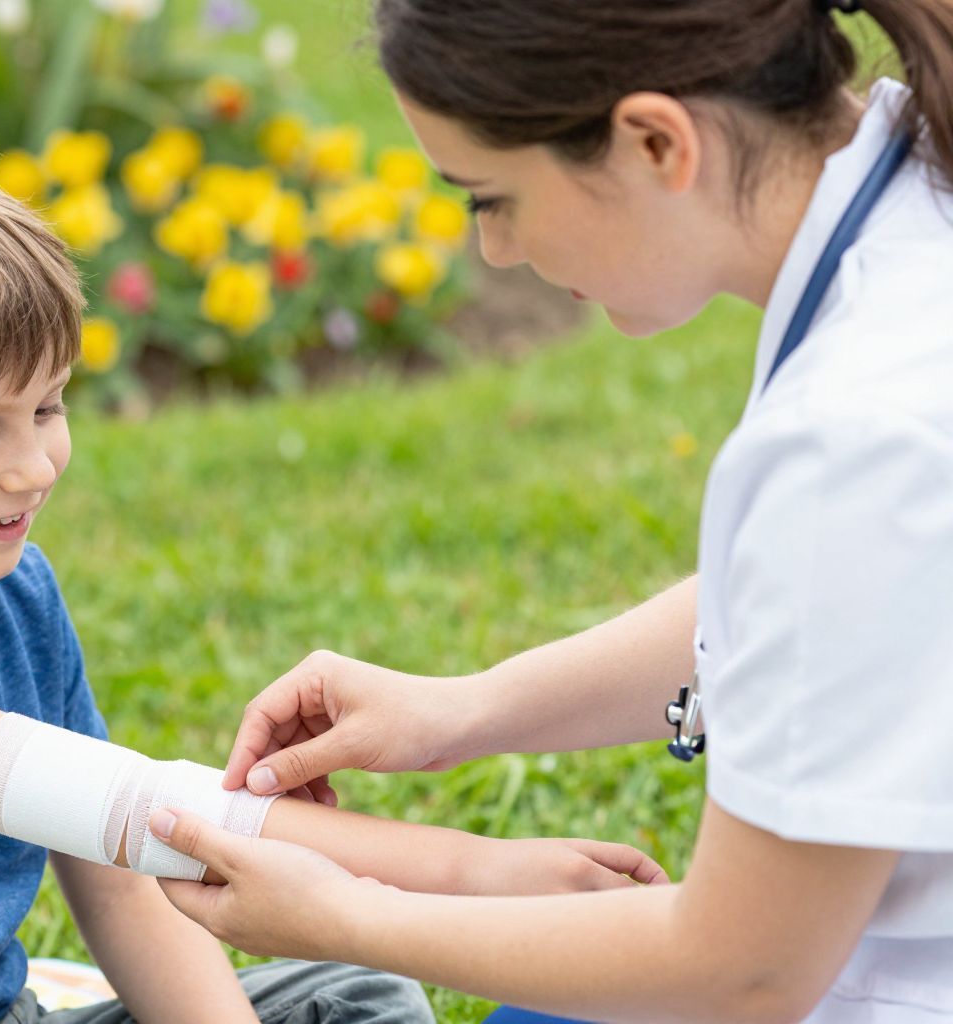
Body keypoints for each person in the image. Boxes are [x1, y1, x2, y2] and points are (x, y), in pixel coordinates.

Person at [0, 131, 667, 1024]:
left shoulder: (16, 593)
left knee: (352, 995)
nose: (31, 465)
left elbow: (118, 875)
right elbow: (127, 806)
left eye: (48, 408)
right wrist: (476, 874)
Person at [142, 1, 953, 1022]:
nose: (495, 251)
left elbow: (741, 970)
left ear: (657, 142)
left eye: (494, 197)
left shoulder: (849, 437)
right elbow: (826, 599)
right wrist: (466, 711)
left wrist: (352, 916)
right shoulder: (920, 203)